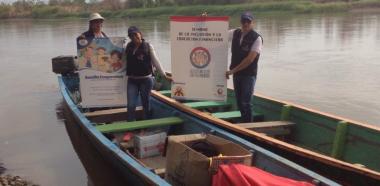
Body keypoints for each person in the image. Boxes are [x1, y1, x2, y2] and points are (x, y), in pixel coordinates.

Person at [125, 26, 171, 121]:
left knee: (146, 103)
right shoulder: (128, 47)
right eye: (131, 36)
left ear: (140, 34)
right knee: (131, 105)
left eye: (136, 34)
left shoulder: (148, 46)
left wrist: (164, 75)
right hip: (132, 80)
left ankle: (146, 124)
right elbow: (121, 61)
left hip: (146, 80)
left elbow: (156, 61)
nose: (134, 37)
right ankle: (131, 125)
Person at [226, 12, 263, 123]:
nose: (246, 23)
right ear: (241, 22)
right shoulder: (235, 33)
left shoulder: (257, 38)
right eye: (244, 21)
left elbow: (249, 60)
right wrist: (205, 21)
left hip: (248, 75)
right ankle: (244, 122)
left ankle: (249, 126)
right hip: (237, 74)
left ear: (252, 23)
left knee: (246, 102)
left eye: (248, 21)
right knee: (239, 102)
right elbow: (217, 34)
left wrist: (232, 71)